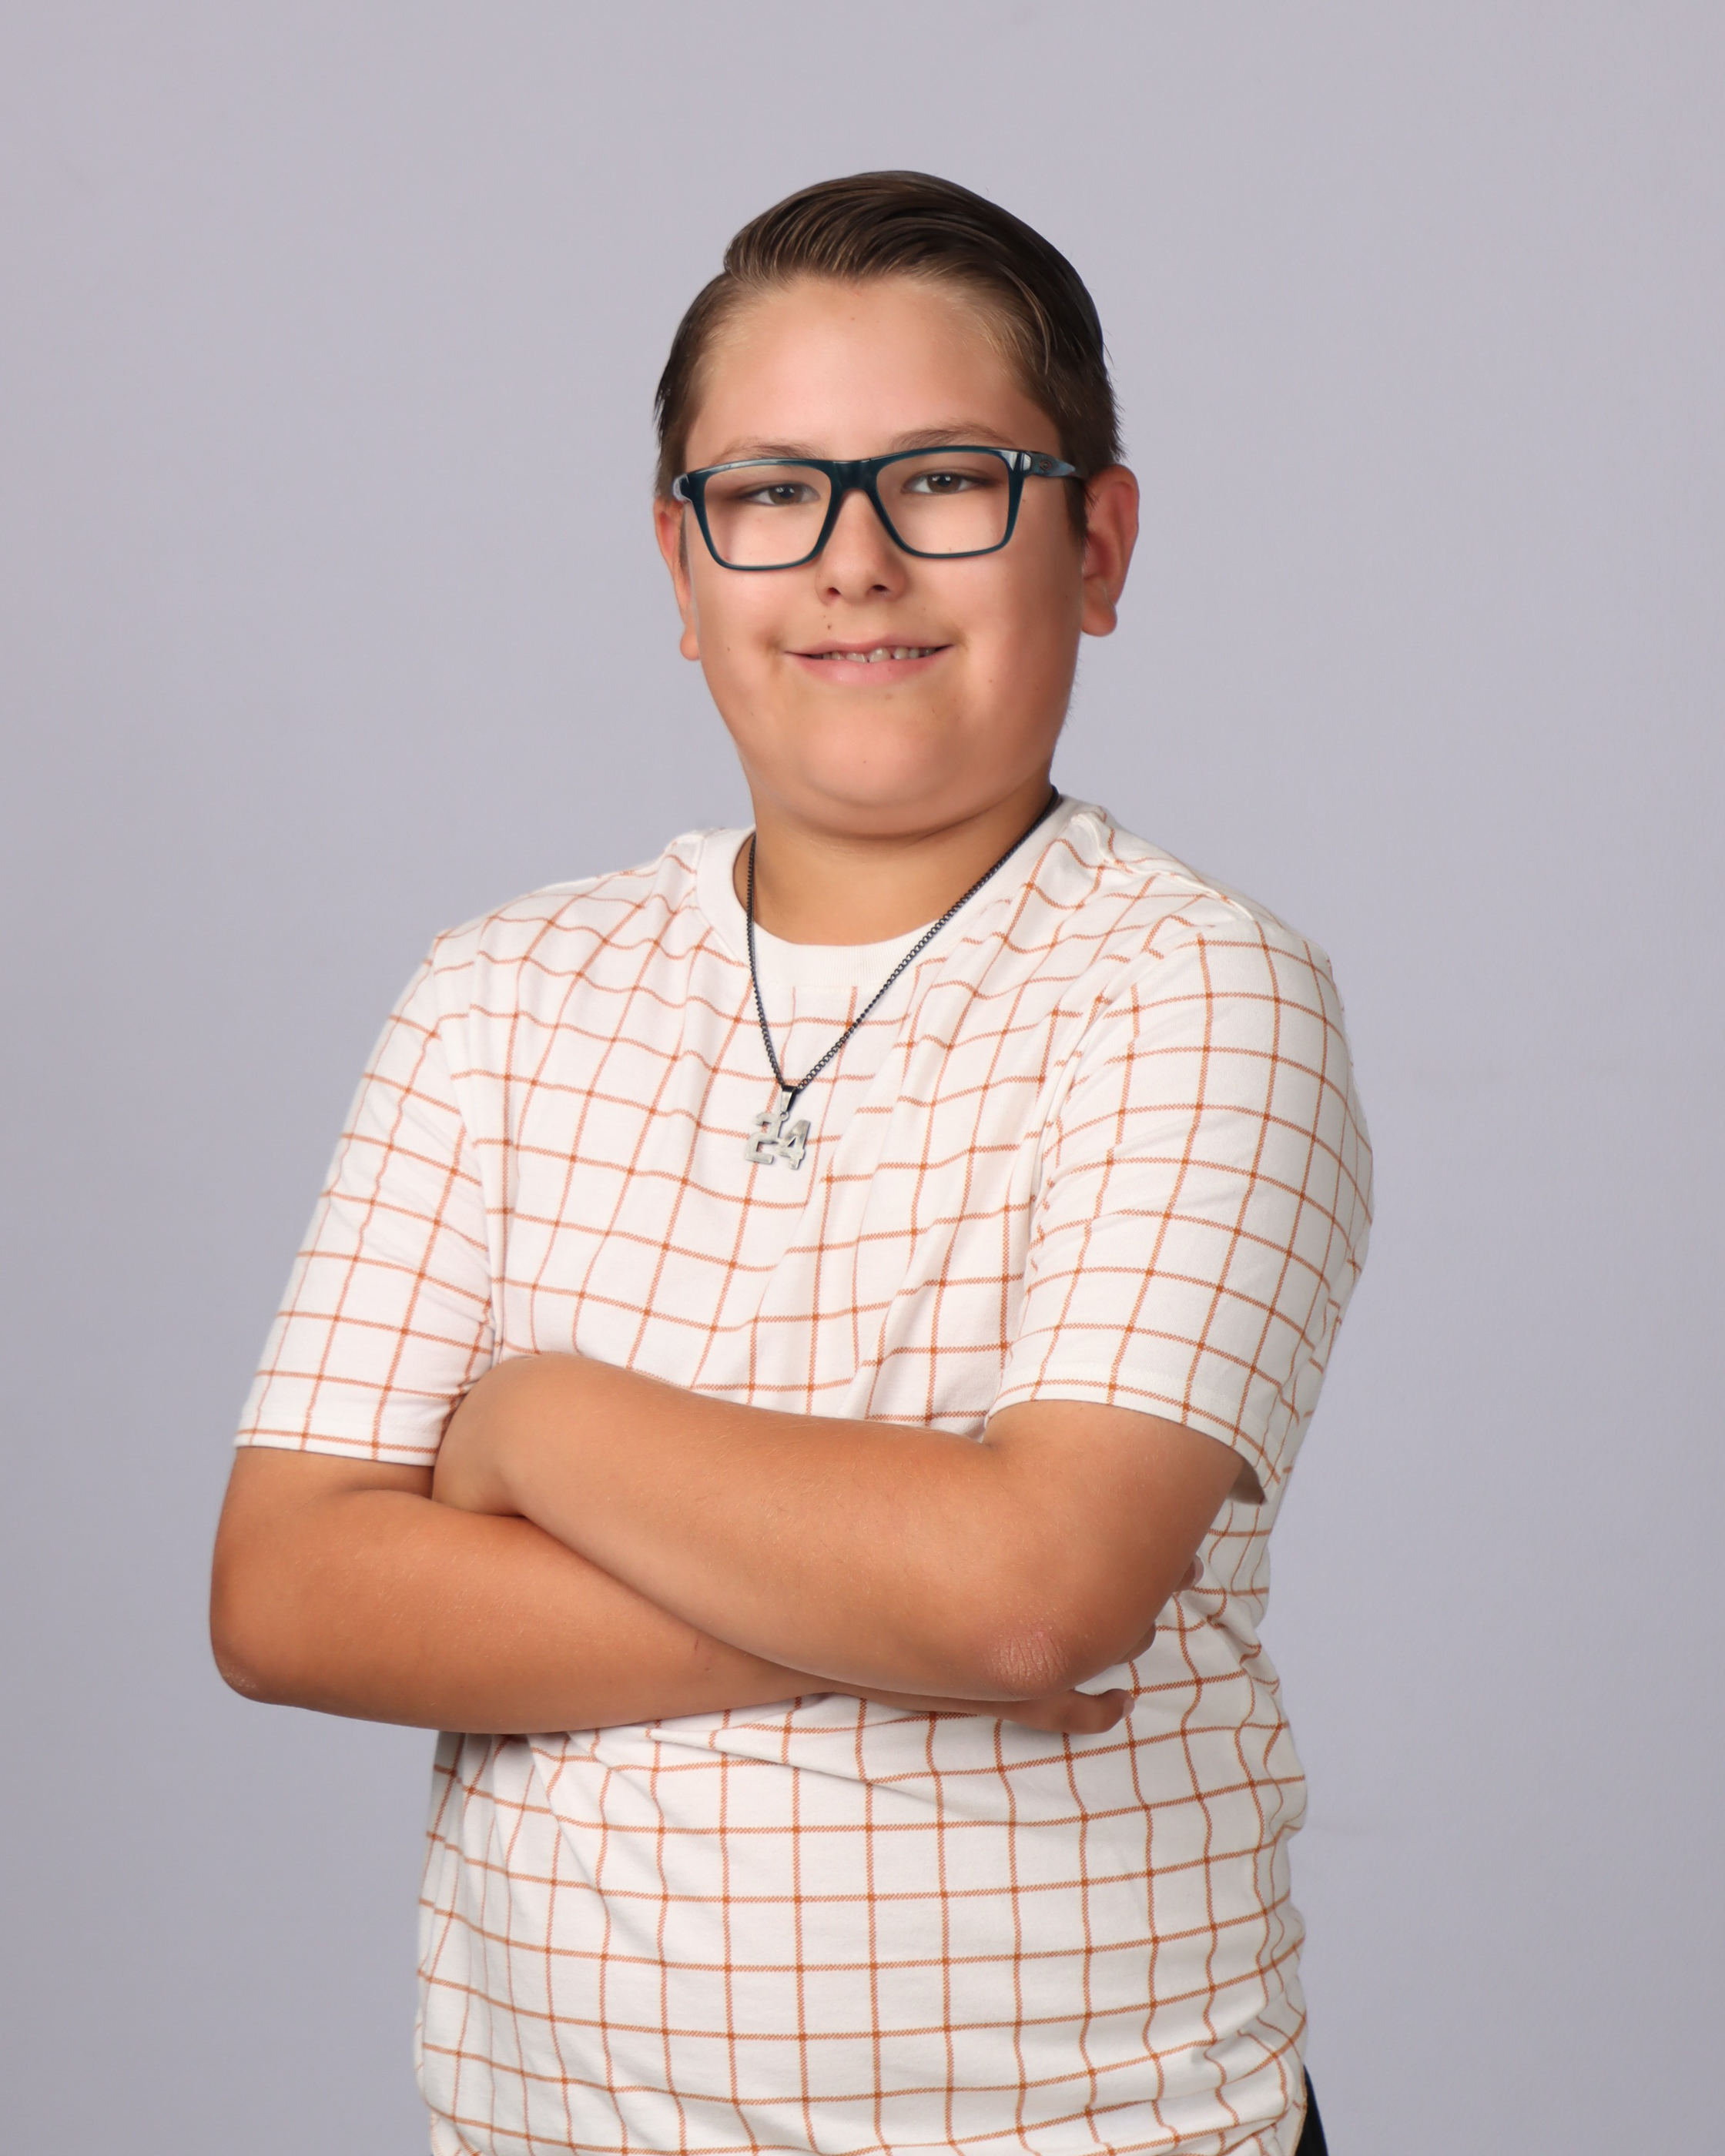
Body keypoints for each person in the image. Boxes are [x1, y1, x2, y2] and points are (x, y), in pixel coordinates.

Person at [212, 169, 1365, 2156]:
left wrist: (537, 1425)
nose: (855, 562)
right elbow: (292, 1593)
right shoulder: (501, 994)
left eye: (948, 480)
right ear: (684, 567)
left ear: (1096, 542)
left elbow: (1029, 1602)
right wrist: (890, 1603)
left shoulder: (1192, 985)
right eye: (771, 493)